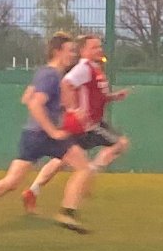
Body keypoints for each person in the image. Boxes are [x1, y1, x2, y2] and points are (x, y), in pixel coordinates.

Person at [0, 32, 93, 241]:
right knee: (83, 166)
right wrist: (53, 130)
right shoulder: (50, 75)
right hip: (44, 135)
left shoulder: (45, 73)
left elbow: (27, 97)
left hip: (31, 135)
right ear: (57, 52)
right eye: (70, 51)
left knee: (12, 181)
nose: (73, 55)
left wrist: (61, 108)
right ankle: (67, 213)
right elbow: (34, 103)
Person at [21, 34, 130, 213]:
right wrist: (72, 109)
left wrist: (112, 97)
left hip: (86, 122)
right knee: (120, 143)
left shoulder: (94, 68)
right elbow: (67, 83)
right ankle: (89, 173)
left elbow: (94, 94)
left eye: (99, 46)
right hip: (88, 124)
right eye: (94, 47)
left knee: (60, 160)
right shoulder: (83, 68)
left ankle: (33, 191)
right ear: (83, 50)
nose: (99, 49)